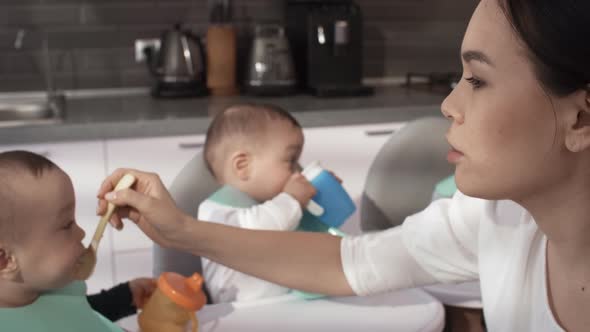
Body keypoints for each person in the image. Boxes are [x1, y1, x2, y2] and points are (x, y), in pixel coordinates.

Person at [98, 0, 590, 331]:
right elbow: (352, 262)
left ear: (581, 117)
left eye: (477, 80)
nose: (448, 104)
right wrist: (180, 230)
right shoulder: (497, 217)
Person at [0, 150, 156, 331]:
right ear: (5, 260)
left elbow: (75, 314)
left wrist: (124, 297)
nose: (81, 233)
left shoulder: (51, 284)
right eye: (66, 225)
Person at [198, 103, 316, 303]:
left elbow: (315, 239)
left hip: (285, 307)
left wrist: (321, 192)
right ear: (243, 166)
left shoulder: (274, 207)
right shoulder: (214, 212)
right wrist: (294, 199)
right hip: (239, 314)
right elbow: (256, 233)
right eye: (290, 160)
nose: (297, 172)